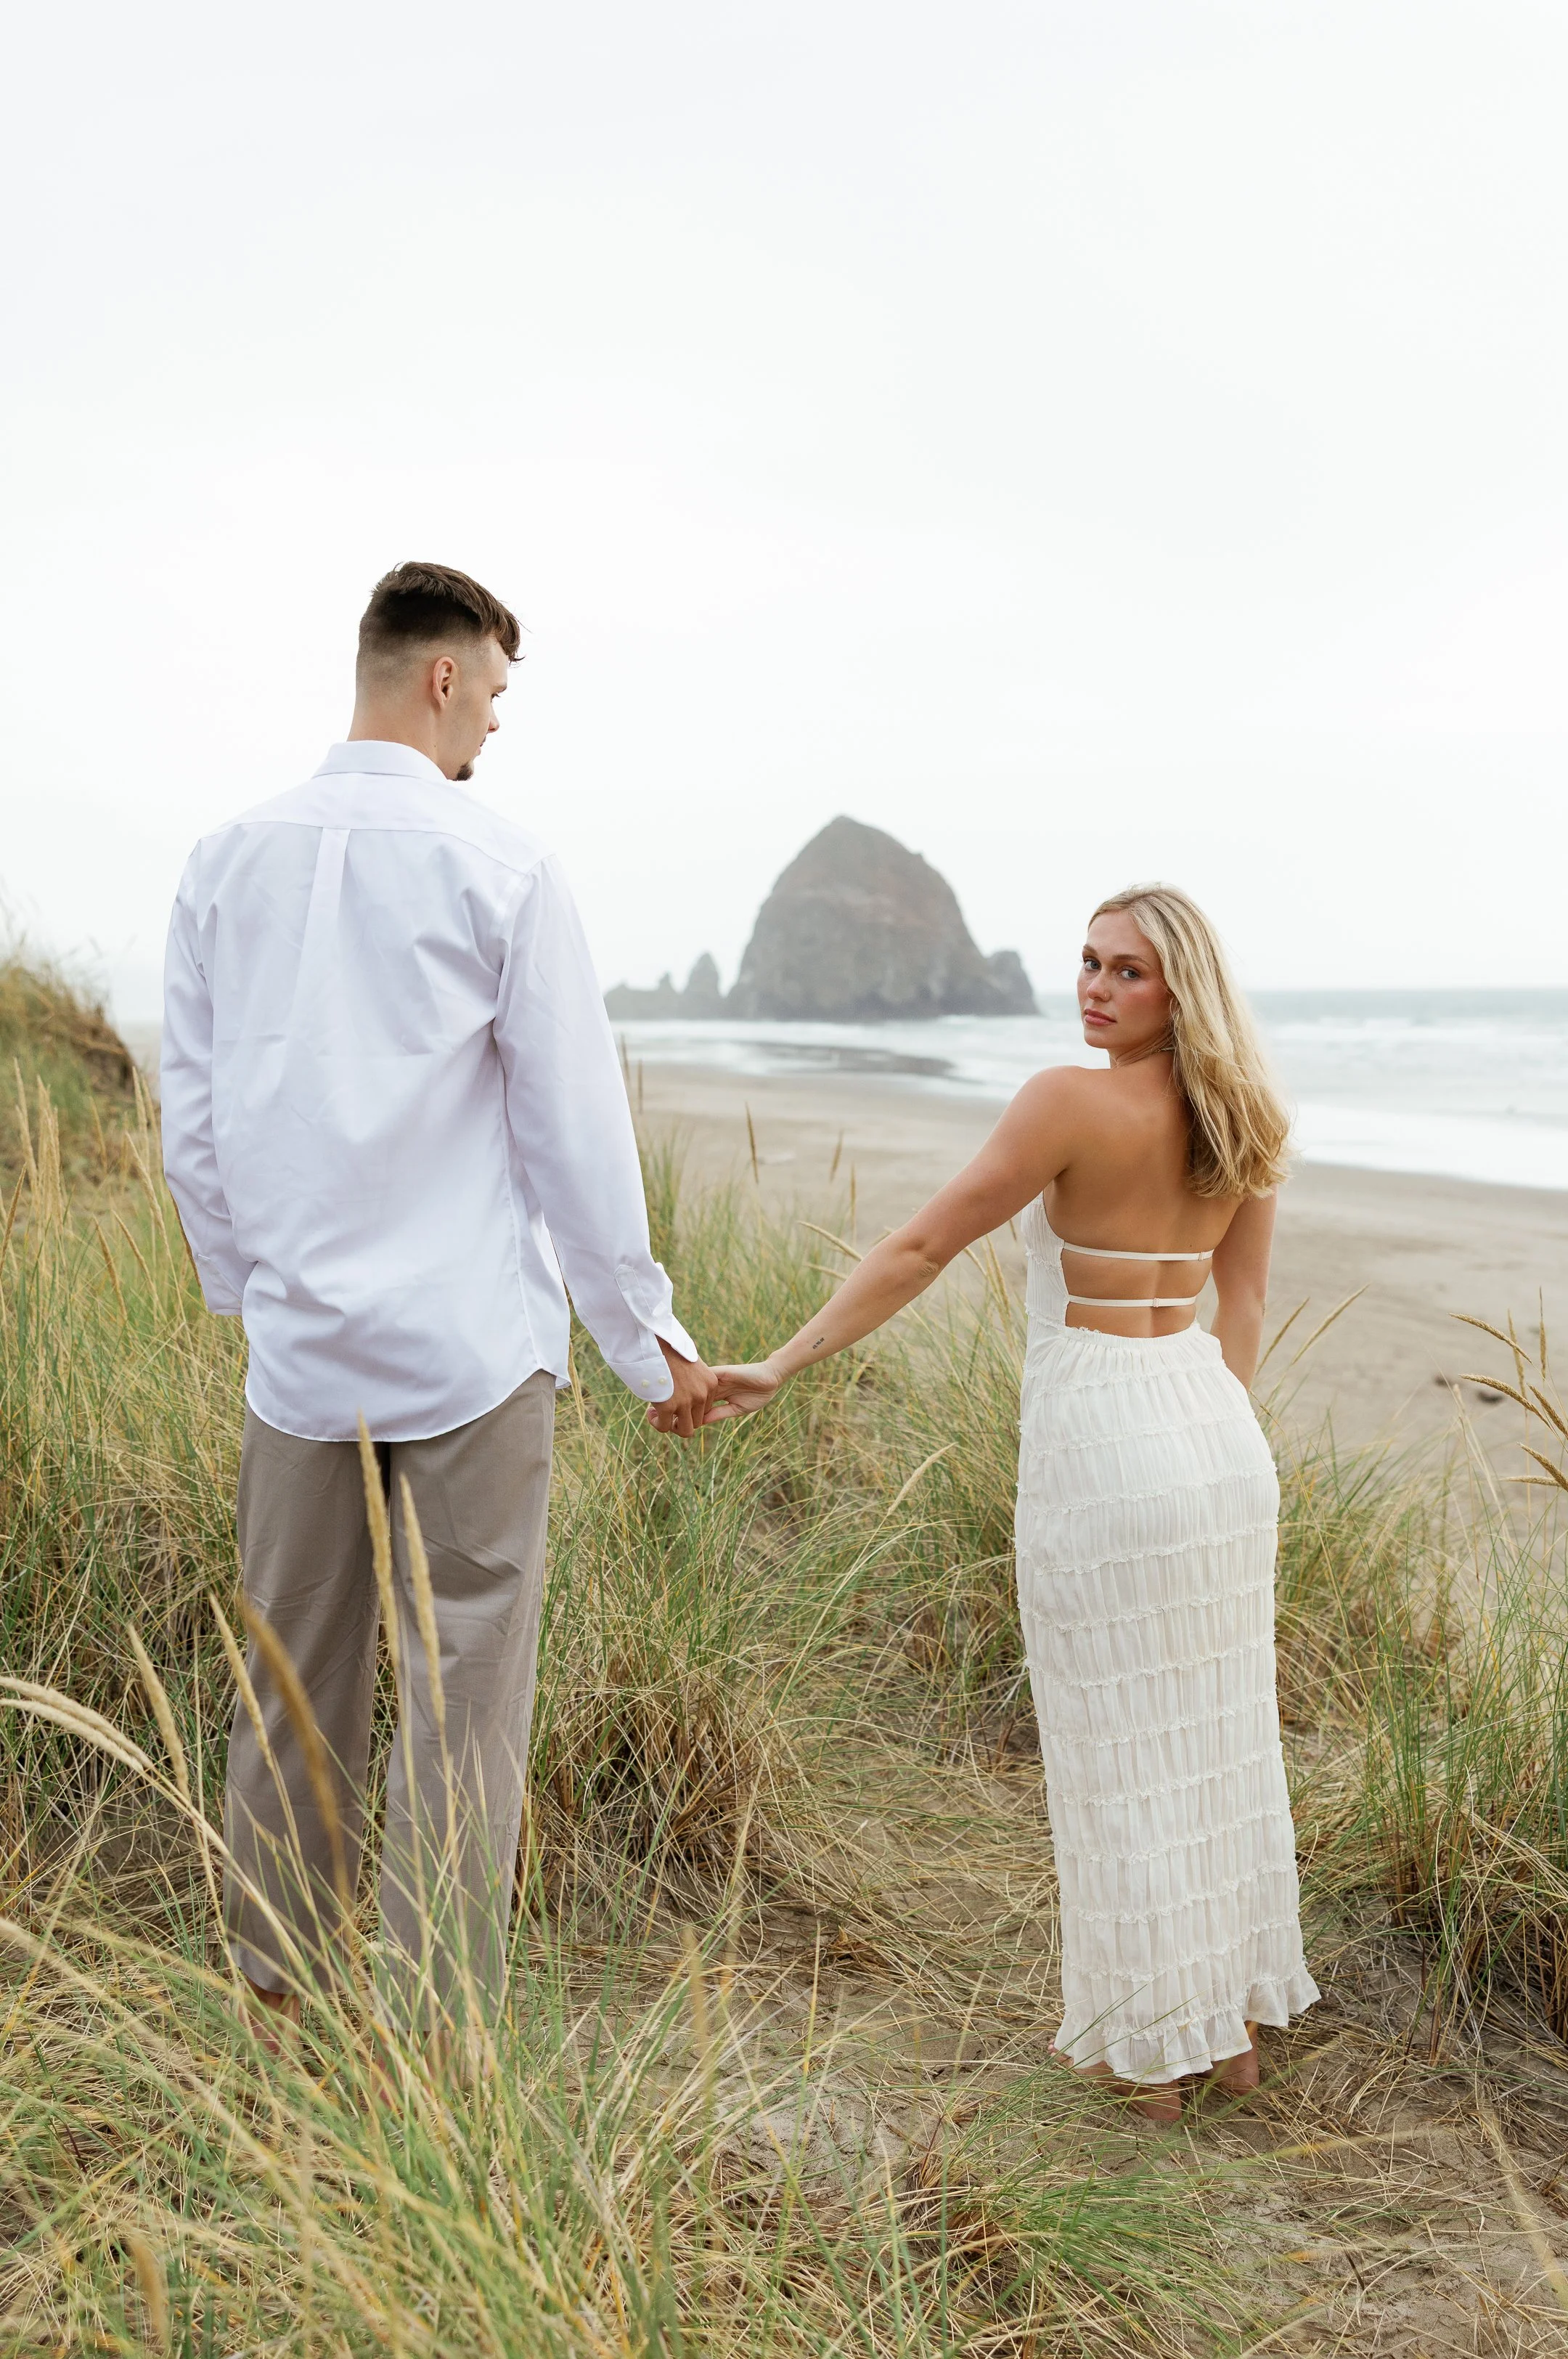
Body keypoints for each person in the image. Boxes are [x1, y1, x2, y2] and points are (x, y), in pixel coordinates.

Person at [161, 560, 718, 2042]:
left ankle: (277, 1996)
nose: (489, 739)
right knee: (466, 1695)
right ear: (445, 678)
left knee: (290, 1681)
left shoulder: (225, 859)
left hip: (299, 1363)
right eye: (493, 701)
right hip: (473, 1357)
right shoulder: (505, 868)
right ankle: (429, 2025)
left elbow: (193, 1121)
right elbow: (574, 1137)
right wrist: (641, 1335)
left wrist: (253, 1290)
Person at [709, 884, 1318, 2120]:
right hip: (1213, 1435)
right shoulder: (1245, 1113)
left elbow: (924, 1249)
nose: (1094, 986)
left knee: (1118, 1755)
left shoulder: (1065, 1101)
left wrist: (781, 1361)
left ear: (1179, 987)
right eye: (1088, 963)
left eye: (1128, 972)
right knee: (1216, 1745)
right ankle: (1236, 2036)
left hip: (1106, 1434)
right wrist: (1208, 1432)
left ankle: (1151, 2067)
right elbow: (1240, 1308)